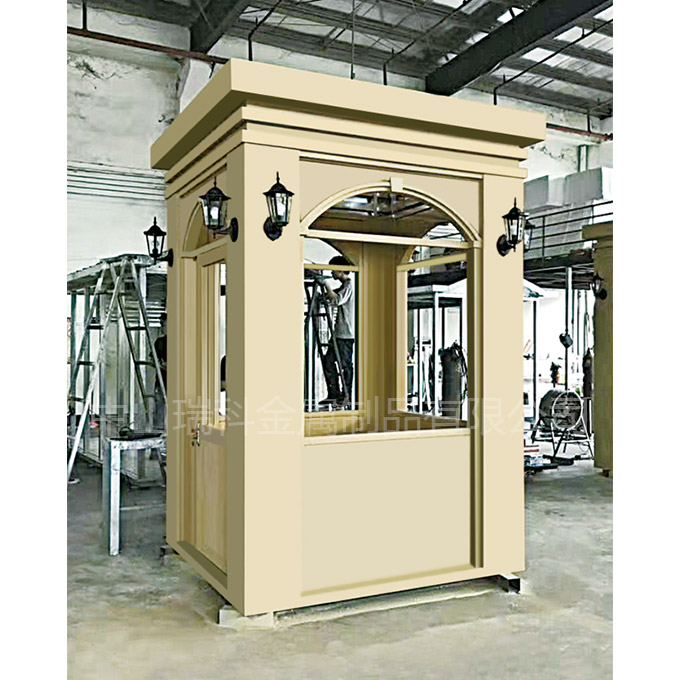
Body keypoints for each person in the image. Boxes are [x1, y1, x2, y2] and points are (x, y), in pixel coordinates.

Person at [319, 255, 354, 408]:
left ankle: (347, 396)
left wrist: (325, 284)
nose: (332, 273)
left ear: (340, 270)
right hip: (339, 333)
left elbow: (337, 299)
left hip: (346, 334)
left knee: (345, 365)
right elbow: (332, 296)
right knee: (328, 362)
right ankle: (334, 394)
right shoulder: (344, 286)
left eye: (333, 270)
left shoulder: (350, 286)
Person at [153, 312, 167, 431]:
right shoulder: (159, 342)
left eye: (164, 324)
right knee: (159, 411)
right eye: (161, 324)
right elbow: (153, 359)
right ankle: (158, 434)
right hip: (161, 383)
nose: (162, 327)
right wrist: (159, 364)